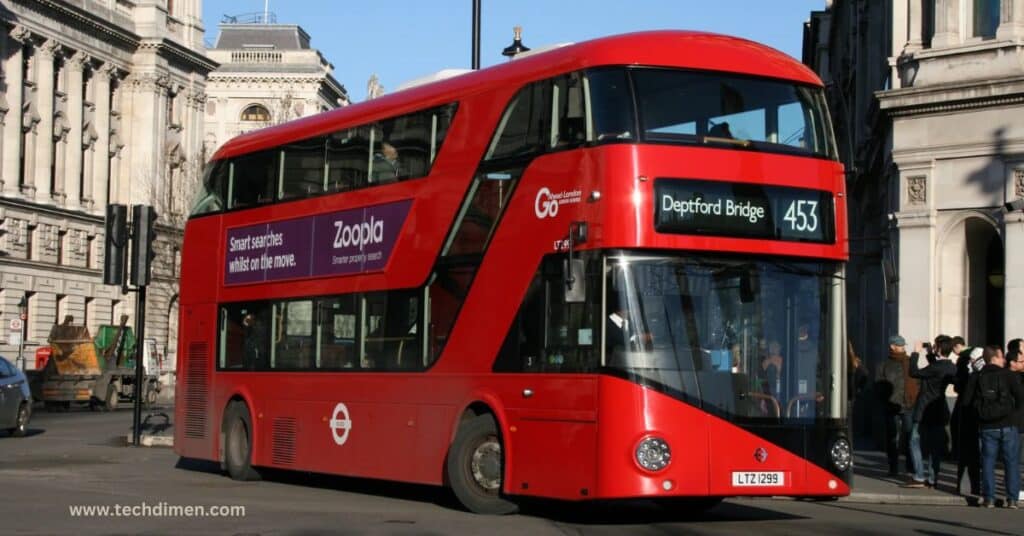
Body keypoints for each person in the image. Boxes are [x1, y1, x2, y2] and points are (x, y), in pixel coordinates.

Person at [962, 345, 1024, 508]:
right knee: (1011, 463)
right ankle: (1012, 499)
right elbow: (1020, 398)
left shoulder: (976, 376)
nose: (1004, 359)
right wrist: (1013, 414)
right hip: (1008, 425)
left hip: (987, 426)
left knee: (988, 462)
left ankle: (989, 498)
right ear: (994, 358)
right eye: (1002, 356)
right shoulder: (1009, 375)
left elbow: (966, 402)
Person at [902, 335, 957, 489]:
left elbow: (914, 372)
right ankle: (933, 479)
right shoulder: (950, 366)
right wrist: (931, 353)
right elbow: (936, 367)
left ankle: (919, 475)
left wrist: (915, 353)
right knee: (935, 447)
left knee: (914, 440)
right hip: (940, 409)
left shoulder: (935, 367)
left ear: (938, 348)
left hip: (924, 409)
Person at [876, 335, 917, 477]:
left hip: (908, 405)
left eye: (903, 345)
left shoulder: (910, 362)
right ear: (892, 346)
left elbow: (917, 381)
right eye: (900, 345)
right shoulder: (884, 365)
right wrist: (885, 401)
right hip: (891, 406)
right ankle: (893, 467)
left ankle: (911, 468)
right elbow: (879, 386)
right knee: (892, 438)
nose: (903, 348)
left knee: (910, 437)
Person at [952, 346, 984, 496]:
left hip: (969, 417)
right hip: (976, 418)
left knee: (968, 456)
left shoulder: (973, 375)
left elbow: (964, 396)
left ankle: (966, 486)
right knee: (975, 456)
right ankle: (974, 487)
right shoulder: (974, 373)